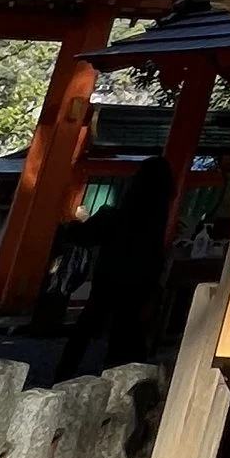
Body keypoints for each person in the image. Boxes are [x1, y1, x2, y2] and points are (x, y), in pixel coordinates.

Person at [55, 159, 174, 379]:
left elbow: (86, 236)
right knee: (128, 325)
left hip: (111, 274)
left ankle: (64, 374)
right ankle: (127, 377)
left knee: (87, 325)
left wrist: (77, 224)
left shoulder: (120, 214)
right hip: (142, 277)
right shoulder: (158, 214)